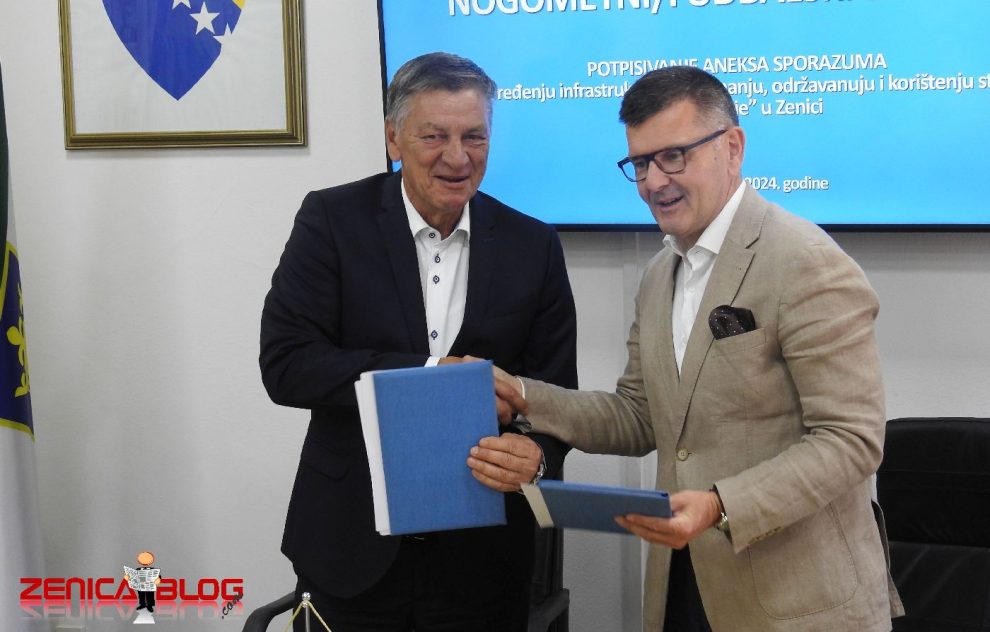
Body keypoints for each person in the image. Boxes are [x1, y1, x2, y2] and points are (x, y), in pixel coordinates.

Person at [472, 66, 904, 631]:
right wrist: (523, 396)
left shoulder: (806, 262)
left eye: (673, 156)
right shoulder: (660, 273)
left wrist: (721, 504)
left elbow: (851, 440)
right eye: (640, 164)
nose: (654, 181)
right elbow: (639, 416)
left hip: (798, 605)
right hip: (684, 587)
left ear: (733, 147)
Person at [260, 52, 577, 632]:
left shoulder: (534, 245)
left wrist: (538, 458)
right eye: (434, 136)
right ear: (393, 138)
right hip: (350, 547)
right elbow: (287, 365)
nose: (458, 157)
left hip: (484, 563)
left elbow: (557, 397)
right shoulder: (331, 220)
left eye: (474, 136)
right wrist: (431, 373)